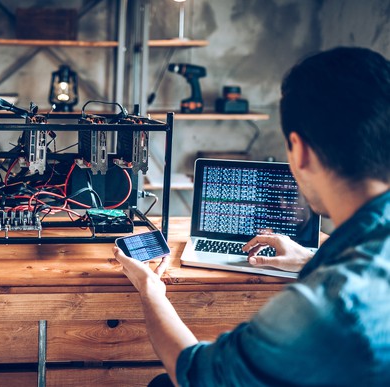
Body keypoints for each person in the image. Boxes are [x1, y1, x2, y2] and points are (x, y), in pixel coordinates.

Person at [113, 46, 390, 386]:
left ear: (299, 150)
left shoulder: (323, 308)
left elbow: (197, 373)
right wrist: (308, 257)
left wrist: (150, 289)